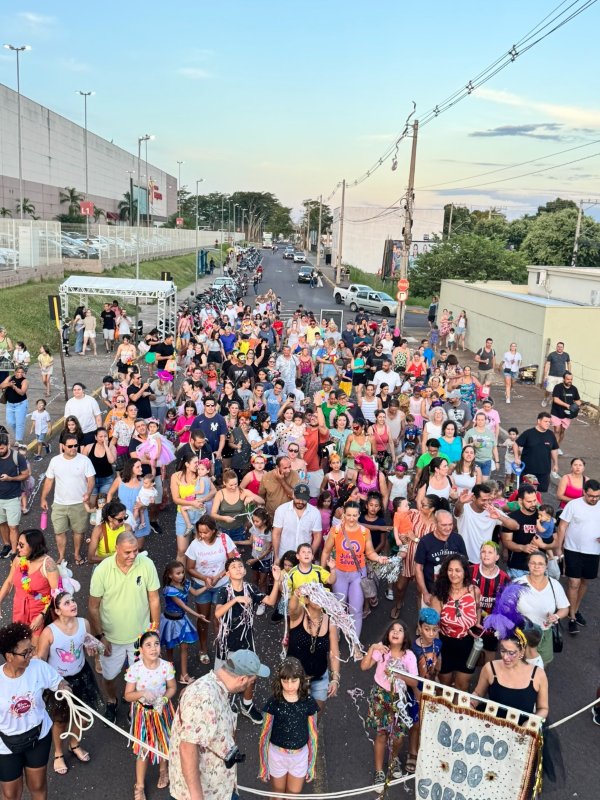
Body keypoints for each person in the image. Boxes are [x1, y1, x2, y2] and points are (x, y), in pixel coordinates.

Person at [168, 649, 270, 800]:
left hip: (219, 787)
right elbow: (187, 748)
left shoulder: (215, 686)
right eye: (252, 681)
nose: (251, 684)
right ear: (242, 679)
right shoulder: (203, 698)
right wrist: (197, 797)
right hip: (204, 793)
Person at [88, 531, 161, 724]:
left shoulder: (147, 564)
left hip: (140, 637)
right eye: (127, 552)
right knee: (109, 676)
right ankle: (112, 700)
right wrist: (101, 636)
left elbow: (154, 599)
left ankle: (133, 707)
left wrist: (154, 631)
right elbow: (93, 607)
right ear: (116, 549)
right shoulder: (102, 570)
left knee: (141, 678)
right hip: (111, 639)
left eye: (135, 551)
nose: (132, 556)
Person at [0, 622, 69, 800]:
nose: (31, 655)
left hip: (38, 736)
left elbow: (59, 682)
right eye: (25, 653)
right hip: (6, 744)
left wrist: (64, 688)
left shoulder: (38, 667)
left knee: (38, 786)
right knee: (10, 794)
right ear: (9, 656)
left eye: (31, 649)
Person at [37, 592, 102, 776]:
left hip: (82, 675)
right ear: (57, 611)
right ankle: (58, 753)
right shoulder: (49, 632)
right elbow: (41, 660)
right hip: (59, 683)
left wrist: (95, 649)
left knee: (84, 715)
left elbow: (89, 645)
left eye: (73, 600)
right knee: (60, 721)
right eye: (67, 603)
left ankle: (74, 744)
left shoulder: (84, 623)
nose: (73, 604)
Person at [214, 557, 281, 723]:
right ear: (227, 573)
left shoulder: (250, 589)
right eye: (233, 567)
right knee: (223, 677)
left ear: (245, 571)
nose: (238, 568)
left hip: (246, 641)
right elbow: (218, 613)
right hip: (227, 643)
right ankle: (223, 706)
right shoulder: (224, 591)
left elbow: (271, 601)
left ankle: (247, 705)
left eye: (240, 566)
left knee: (251, 674)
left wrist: (277, 581)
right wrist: (236, 600)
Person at [320, 501, 387, 654]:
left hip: (358, 575)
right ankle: (336, 634)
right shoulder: (336, 530)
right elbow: (326, 551)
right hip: (340, 574)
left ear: (359, 515)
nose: (351, 518)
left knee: (356, 610)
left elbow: (370, 552)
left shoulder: (364, 532)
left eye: (354, 515)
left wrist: (378, 558)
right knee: (338, 608)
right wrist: (323, 573)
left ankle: (355, 643)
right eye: (348, 515)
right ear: (344, 515)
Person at [360, 621, 418, 784]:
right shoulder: (382, 650)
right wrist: (373, 648)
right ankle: (379, 771)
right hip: (381, 696)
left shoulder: (409, 656)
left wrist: (397, 674)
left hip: (399, 699)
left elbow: (414, 682)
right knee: (381, 734)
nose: (396, 632)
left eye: (400, 630)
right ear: (387, 634)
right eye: (392, 629)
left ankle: (393, 760)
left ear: (405, 637)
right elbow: (364, 666)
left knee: (398, 737)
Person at [258, 658, 319, 796]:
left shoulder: (309, 702)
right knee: (277, 794)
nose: (289, 686)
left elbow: (313, 735)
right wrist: (264, 765)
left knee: (293, 795)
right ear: (279, 681)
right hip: (276, 756)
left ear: (301, 680)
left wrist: (311, 765)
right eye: (285, 681)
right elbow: (264, 735)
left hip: (299, 757)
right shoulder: (273, 702)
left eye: (294, 681)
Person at [185, 514, 238, 665]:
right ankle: (203, 649)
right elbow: (190, 568)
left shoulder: (224, 539)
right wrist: (205, 579)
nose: (202, 535)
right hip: (202, 587)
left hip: (222, 584)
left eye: (205, 532)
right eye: (200, 532)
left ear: (214, 530)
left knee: (219, 619)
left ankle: (222, 649)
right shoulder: (195, 545)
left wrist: (218, 577)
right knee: (203, 618)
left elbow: (232, 562)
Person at [286, 573, 340, 709]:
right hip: (293, 679)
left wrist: (335, 678)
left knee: (314, 716)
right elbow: (292, 608)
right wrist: (296, 594)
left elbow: (334, 653)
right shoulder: (298, 615)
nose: (319, 598)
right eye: (315, 595)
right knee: (293, 716)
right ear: (306, 600)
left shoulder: (330, 622)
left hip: (319, 678)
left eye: (321, 595)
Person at [471, 629, 549, 721]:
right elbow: (478, 693)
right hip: (490, 725)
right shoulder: (490, 668)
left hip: (521, 729)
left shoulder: (538, 675)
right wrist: (471, 703)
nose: (505, 657)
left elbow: (543, 708)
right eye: (503, 651)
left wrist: (530, 723)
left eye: (511, 653)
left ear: (522, 652)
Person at [0, 530, 59, 648]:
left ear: (33, 546)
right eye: (18, 544)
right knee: (20, 647)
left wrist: (41, 616)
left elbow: (56, 594)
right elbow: (9, 582)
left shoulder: (48, 565)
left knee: (36, 650)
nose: (17, 548)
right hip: (19, 611)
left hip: (40, 613)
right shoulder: (18, 559)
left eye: (21, 545)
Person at [430, 554, 481, 691]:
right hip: (445, 646)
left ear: (465, 572)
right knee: (444, 687)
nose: (453, 574)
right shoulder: (439, 596)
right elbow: (433, 627)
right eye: (450, 570)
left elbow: (478, 607)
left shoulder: (474, 591)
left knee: (462, 686)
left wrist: (477, 623)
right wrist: (436, 653)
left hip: (468, 645)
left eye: (458, 570)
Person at [556, 479, 600, 635]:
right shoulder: (573, 505)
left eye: (597, 496)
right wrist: (558, 548)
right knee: (574, 582)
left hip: (593, 551)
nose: (594, 499)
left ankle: (574, 608)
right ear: (584, 493)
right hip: (572, 549)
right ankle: (573, 617)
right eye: (591, 496)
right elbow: (562, 527)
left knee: (584, 581)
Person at [515, 551, 569, 666]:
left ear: (546, 566)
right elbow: (506, 609)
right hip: (522, 634)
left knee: (541, 667)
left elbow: (564, 608)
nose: (536, 566)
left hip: (545, 634)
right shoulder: (517, 584)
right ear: (528, 564)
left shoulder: (554, 585)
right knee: (519, 666)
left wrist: (556, 616)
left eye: (540, 564)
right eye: (533, 563)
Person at [159, 560, 207, 684]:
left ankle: (184, 675)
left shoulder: (185, 584)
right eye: (178, 573)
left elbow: (195, 592)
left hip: (181, 619)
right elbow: (183, 606)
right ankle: (169, 670)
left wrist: (207, 586)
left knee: (184, 647)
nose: (181, 575)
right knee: (169, 646)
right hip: (170, 621)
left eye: (182, 573)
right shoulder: (169, 590)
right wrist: (198, 615)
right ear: (170, 575)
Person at [414, 509, 467, 606]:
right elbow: (418, 568)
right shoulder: (425, 541)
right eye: (444, 525)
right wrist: (425, 592)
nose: (448, 528)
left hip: (455, 594)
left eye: (450, 524)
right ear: (435, 524)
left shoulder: (458, 539)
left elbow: (465, 564)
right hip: (432, 593)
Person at [454, 484, 518, 564]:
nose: (487, 503)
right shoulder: (464, 508)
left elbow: (515, 526)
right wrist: (460, 502)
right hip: (464, 558)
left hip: (485, 559)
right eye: (483, 500)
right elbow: (457, 512)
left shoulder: (492, 510)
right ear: (473, 498)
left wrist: (499, 517)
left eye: (489, 500)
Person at [272, 484, 323, 563]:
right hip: (284, 555)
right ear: (293, 495)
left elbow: (317, 536)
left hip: (303, 557)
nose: (300, 502)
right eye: (298, 498)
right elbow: (276, 534)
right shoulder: (281, 510)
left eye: (304, 499)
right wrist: (276, 557)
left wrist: (310, 555)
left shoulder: (315, 513)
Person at [0, 431, 29, 559]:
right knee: (1, 523)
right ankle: (7, 545)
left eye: (2, 448)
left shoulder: (17, 457)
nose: (0, 450)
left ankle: (14, 551)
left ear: (8, 445)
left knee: (13, 526)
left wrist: (10, 478)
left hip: (12, 497)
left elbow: (25, 474)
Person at [513, 412, 560, 491]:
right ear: (539, 421)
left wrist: (555, 464)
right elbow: (516, 444)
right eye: (546, 421)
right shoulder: (528, 433)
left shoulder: (551, 434)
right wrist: (516, 458)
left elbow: (554, 449)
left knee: (540, 493)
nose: (548, 423)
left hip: (544, 471)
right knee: (527, 492)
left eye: (549, 422)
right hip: (528, 470)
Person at [86, 500, 131, 564]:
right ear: (110, 518)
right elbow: (90, 558)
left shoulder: (127, 528)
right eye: (120, 519)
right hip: (105, 564)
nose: (123, 521)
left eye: (125, 517)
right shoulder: (99, 530)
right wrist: (115, 559)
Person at [550, 371, 581, 452]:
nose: (569, 381)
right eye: (568, 379)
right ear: (563, 379)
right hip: (556, 412)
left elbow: (577, 400)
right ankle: (554, 449)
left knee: (562, 431)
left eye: (571, 379)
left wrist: (577, 405)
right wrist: (567, 405)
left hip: (567, 414)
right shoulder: (558, 387)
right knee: (557, 430)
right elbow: (555, 399)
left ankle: (558, 447)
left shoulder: (574, 389)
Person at [463, 411, 499, 478]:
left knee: (485, 482)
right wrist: (473, 444)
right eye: (478, 420)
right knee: (475, 481)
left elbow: (494, 448)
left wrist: (497, 462)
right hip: (474, 461)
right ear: (476, 420)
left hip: (487, 461)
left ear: (485, 421)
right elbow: (463, 447)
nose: (480, 421)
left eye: (482, 420)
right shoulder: (470, 432)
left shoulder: (490, 433)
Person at [0, 367, 29, 446]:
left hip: (20, 405)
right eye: (18, 372)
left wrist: (14, 387)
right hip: (10, 405)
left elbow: (22, 392)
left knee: (19, 423)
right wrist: (9, 384)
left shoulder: (25, 381)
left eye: (22, 372)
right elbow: (1, 386)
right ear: (15, 372)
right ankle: (18, 435)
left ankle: (19, 440)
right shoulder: (10, 377)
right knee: (10, 422)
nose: (20, 374)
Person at [542, 341, 571, 407]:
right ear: (556, 347)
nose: (559, 348)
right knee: (548, 390)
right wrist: (545, 375)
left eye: (561, 347)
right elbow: (547, 364)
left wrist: (569, 374)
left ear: (563, 348)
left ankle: (553, 401)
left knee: (557, 391)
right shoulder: (551, 354)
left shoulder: (566, 355)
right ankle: (545, 399)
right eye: (558, 346)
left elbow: (569, 363)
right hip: (551, 376)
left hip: (561, 377)